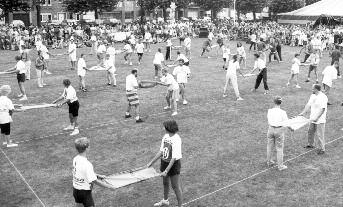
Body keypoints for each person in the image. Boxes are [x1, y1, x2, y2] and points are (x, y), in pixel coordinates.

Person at [147, 120, 183, 207]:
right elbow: (161, 151)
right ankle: (165, 201)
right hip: (164, 162)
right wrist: (151, 162)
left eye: (164, 126)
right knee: (165, 183)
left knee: (175, 187)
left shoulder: (177, 139)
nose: (163, 128)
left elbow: (174, 158)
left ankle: (180, 206)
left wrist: (166, 171)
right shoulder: (165, 136)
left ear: (168, 128)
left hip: (173, 165)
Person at [72, 137, 114, 207]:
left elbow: (82, 173)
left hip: (75, 190)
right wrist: (109, 187)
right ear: (87, 148)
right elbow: (94, 180)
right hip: (84, 192)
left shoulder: (75, 159)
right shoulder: (87, 164)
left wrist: (98, 175)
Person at [299, 84, 328, 155]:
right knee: (310, 131)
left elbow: (323, 109)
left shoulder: (323, 97)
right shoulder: (313, 96)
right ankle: (310, 144)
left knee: (320, 135)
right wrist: (303, 112)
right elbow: (308, 105)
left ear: (316, 89)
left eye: (313, 89)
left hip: (320, 120)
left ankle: (322, 149)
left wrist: (317, 118)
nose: (312, 90)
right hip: (312, 118)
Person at [266, 96, 288, 170]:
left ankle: (269, 162)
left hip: (270, 129)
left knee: (269, 146)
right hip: (279, 130)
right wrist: (291, 128)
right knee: (279, 148)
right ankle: (280, 166)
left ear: (274, 102)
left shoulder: (269, 111)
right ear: (281, 103)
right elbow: (286, 123)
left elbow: (268, 120)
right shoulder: (283, 112)